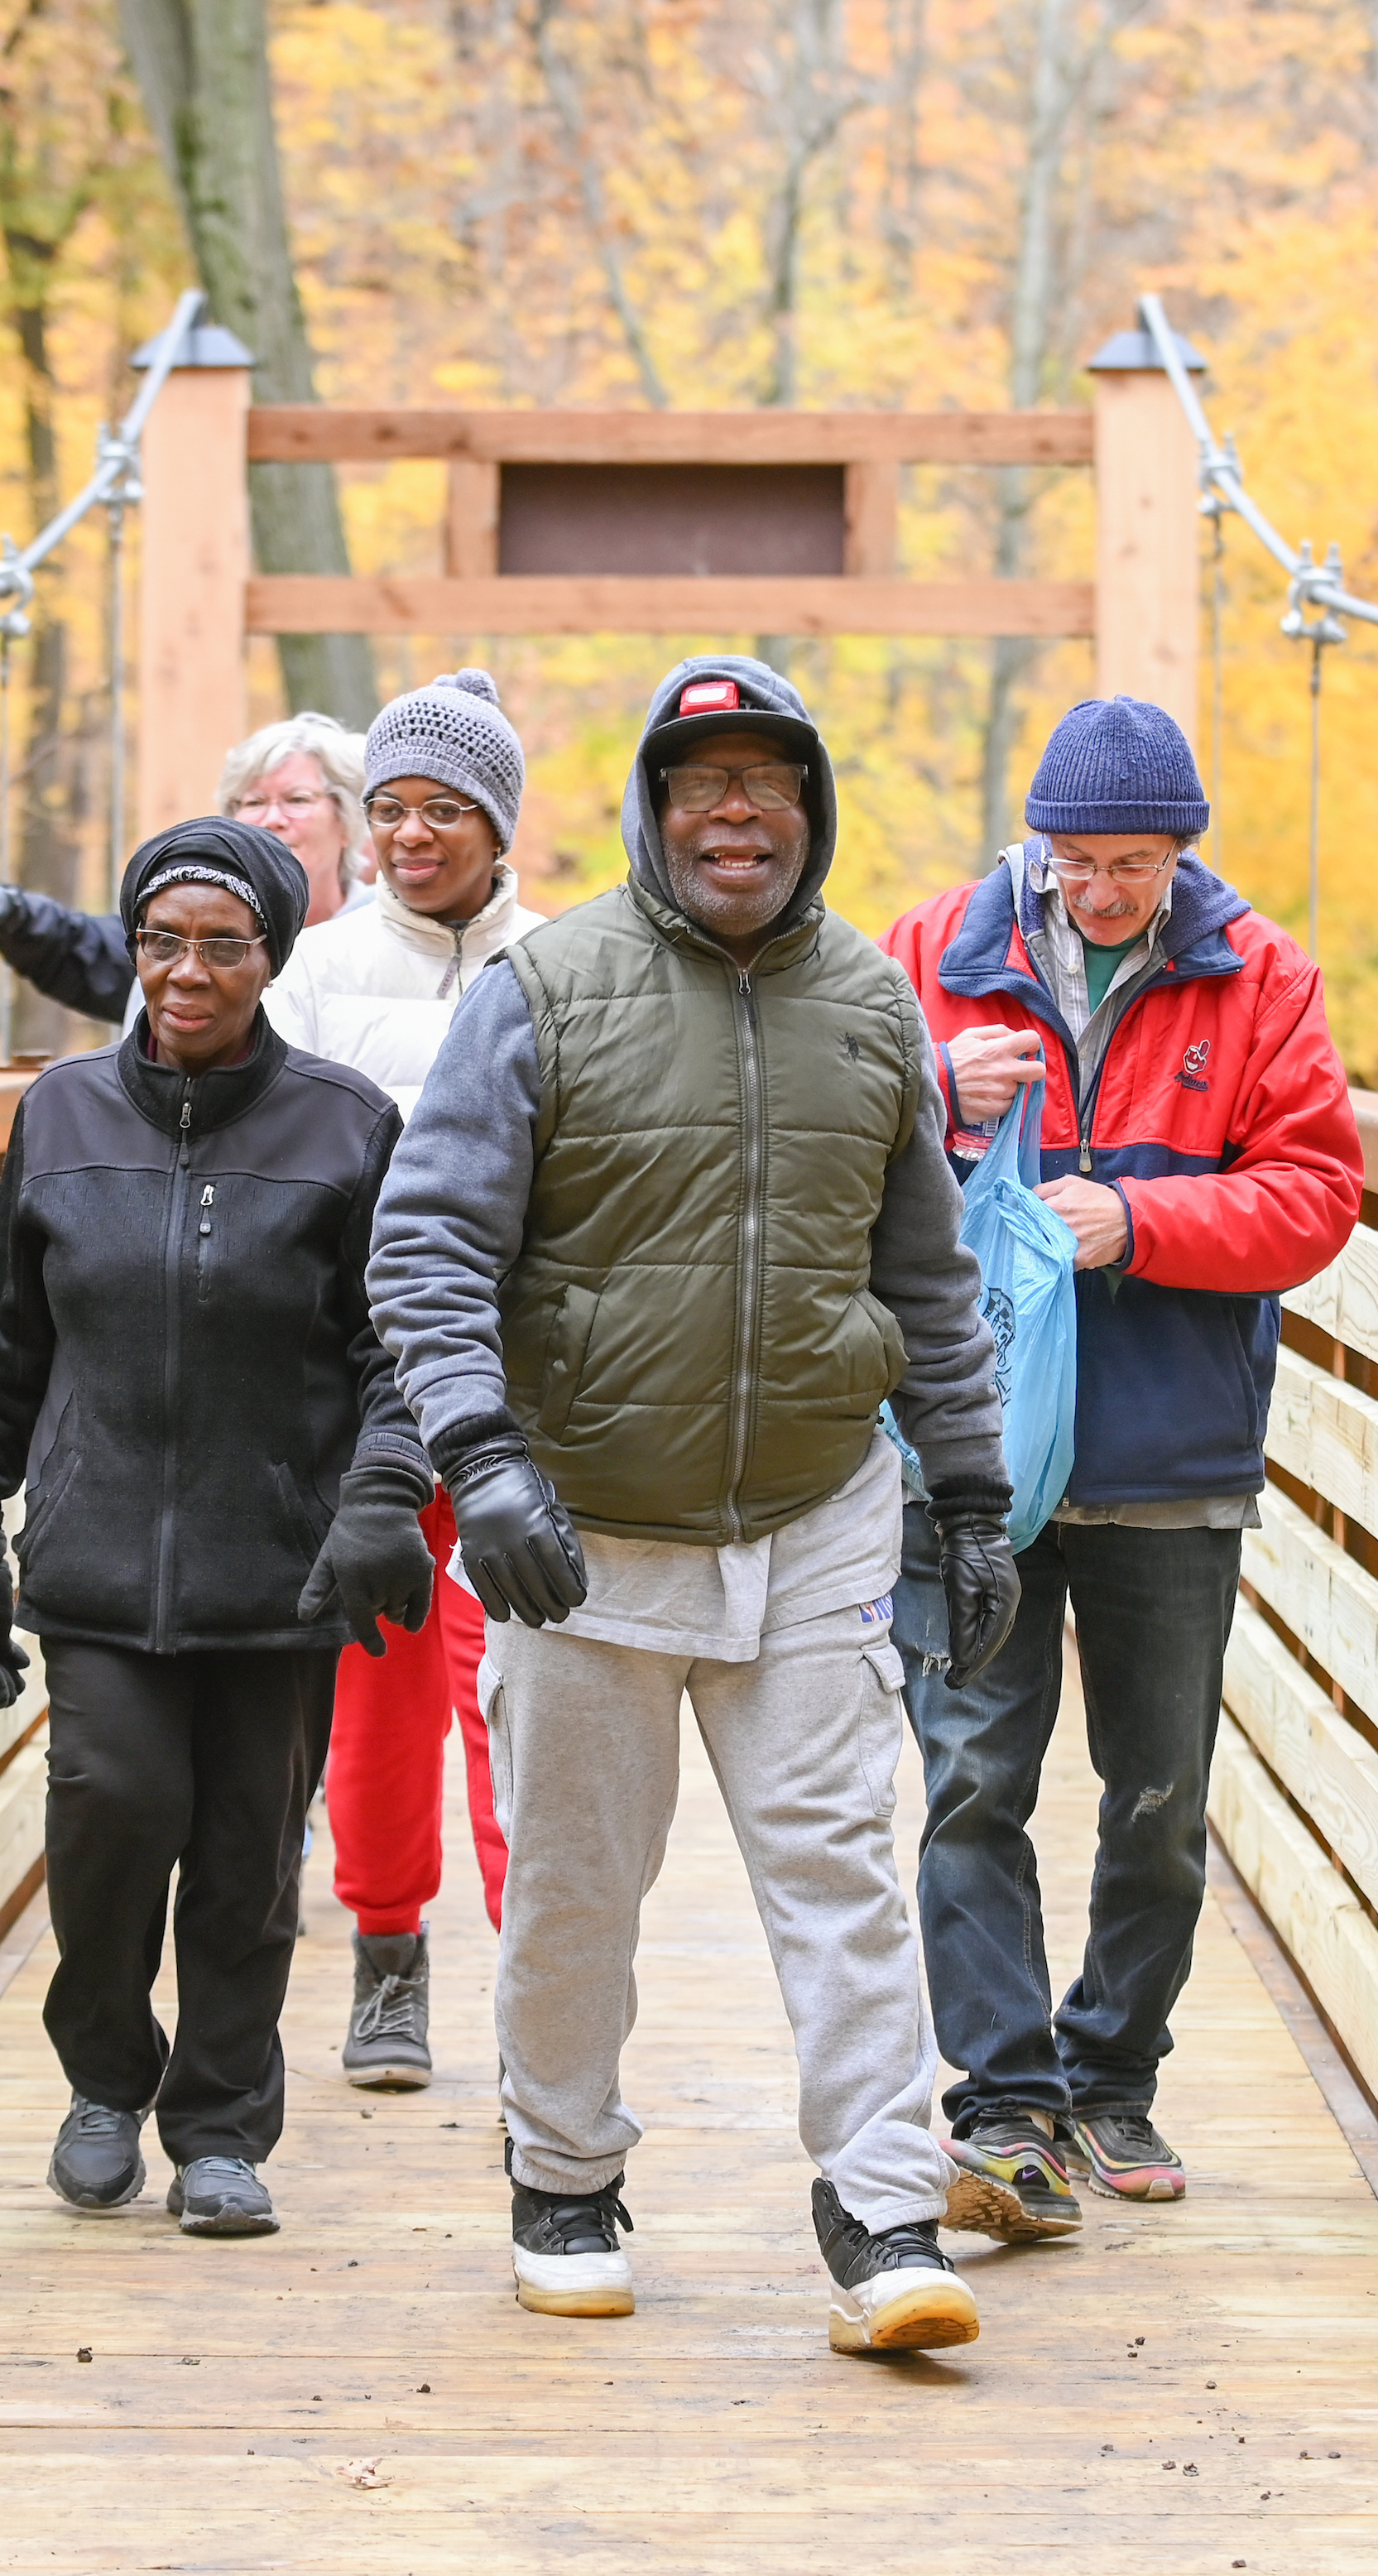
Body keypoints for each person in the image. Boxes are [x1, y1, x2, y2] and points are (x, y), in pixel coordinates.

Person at [370, 653, 1026, 2357]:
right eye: (701, 782)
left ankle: (882, 2211)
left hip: (816, 1514)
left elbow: (931, 1283)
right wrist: (482, 1455)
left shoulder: (876, 1007)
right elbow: (427, 1241)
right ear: (657, 813)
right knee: (580, 1885)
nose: (737, 810)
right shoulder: (547, 991)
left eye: (769, 782)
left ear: (810, 808)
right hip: (581, 1531)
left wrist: (968, 1492)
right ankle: (566, 2171)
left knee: (840, 1873)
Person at [878, 694, 1362, 2242]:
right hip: (966, 1448)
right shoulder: (932, 950)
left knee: (1157, 1794)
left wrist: (1140, 1223)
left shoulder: (1261, 976)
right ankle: (1005, 2100)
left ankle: (1112, 2071)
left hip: (1170, 1448)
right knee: (972, 1778)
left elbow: (1317, 1193)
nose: (1099, 892)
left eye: (1133, 865)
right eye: (1076, 860)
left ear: (1183, 852)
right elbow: (834, 1153)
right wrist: (943, 1116)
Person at [0, 815, 439, 2240]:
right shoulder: (63, 1112)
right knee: (109, 1811)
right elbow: (6, 1342)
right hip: (95, 1552)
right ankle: (105, 2077)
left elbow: (391, 1347)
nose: (187, 971)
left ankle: (219, 2124)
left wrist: (380, 1494)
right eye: (162, 942)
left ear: (272, 957)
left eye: (222, 945)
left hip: (278, 1562)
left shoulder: (346, 1124)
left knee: (245, 1855)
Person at [264, 669, 551, 2093]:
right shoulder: (312, 974)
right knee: (374, 1697)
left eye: (446, 808)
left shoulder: (565, 966)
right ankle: (388, 1960)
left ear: (501, 824)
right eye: (390, 808)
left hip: (520, 1386)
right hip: (359, 1383)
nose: (414, 833)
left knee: (518, 1687)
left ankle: (532, 1974)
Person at [0, 713, 364, 1022]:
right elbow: (87, 952)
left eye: (297, 800)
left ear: (347, 820)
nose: (271, 819)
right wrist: (15, 916)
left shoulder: (388, 940)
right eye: (253, 802)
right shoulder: (178, 941)